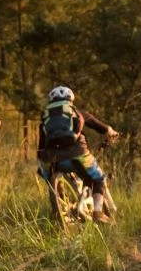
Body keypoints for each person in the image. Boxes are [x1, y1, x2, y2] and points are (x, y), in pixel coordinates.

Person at [37, 85, 117, 222]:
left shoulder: (45, 117)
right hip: (78, 154)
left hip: (54, 159)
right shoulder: (77, 112)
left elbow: (41, 146)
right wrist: (111, 133)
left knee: (50, 176)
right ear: (70, 99)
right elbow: (101, 128)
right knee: (99, 178)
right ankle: (98, 213)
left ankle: (61, 206)